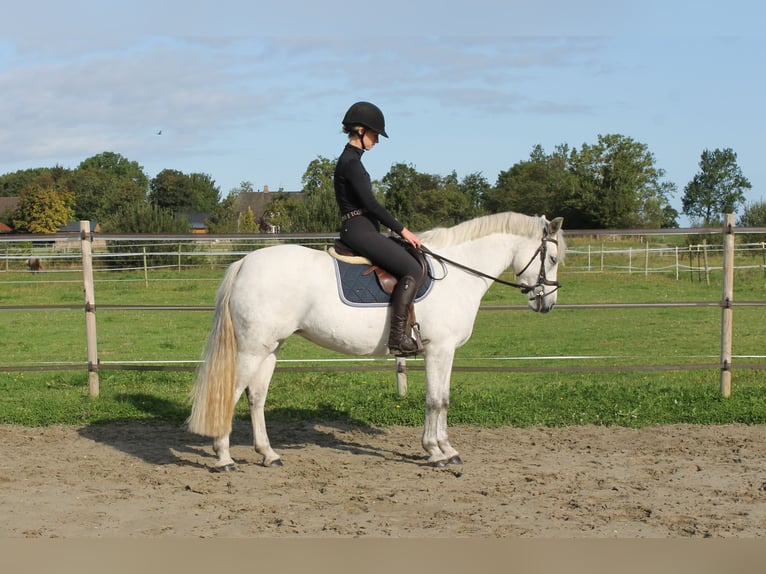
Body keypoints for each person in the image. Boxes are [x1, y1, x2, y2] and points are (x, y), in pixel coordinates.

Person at [334, 101, 425, 356]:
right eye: (375, 134)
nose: (377, 140)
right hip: (359, 230)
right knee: (412, 268)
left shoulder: (352, 160)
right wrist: (402, 230)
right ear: (361, 130)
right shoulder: (351, 163)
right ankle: (398, 339)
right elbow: (371, 205)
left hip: (363, 228)